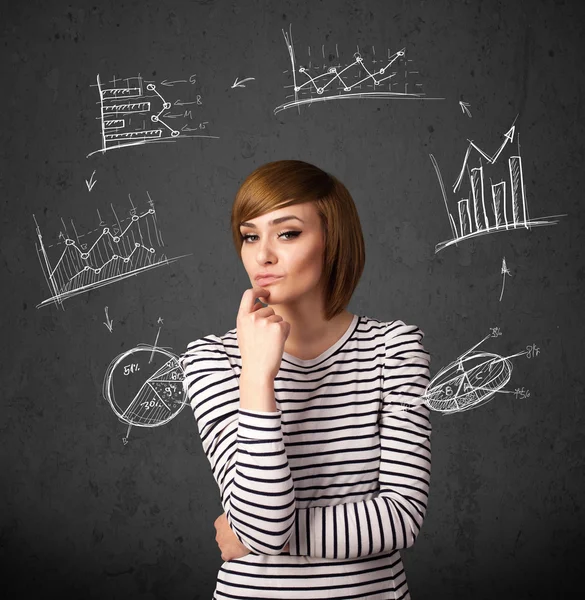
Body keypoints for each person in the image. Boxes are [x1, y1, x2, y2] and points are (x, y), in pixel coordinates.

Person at [180, 160, 432, 599]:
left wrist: (256, 537)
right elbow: (263, 521)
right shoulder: (210, 358)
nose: (263, 255)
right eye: (250, 235)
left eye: (288, 233)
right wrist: (257, 377)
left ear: (332, 238)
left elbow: (402, 517)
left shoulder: (394, 349)